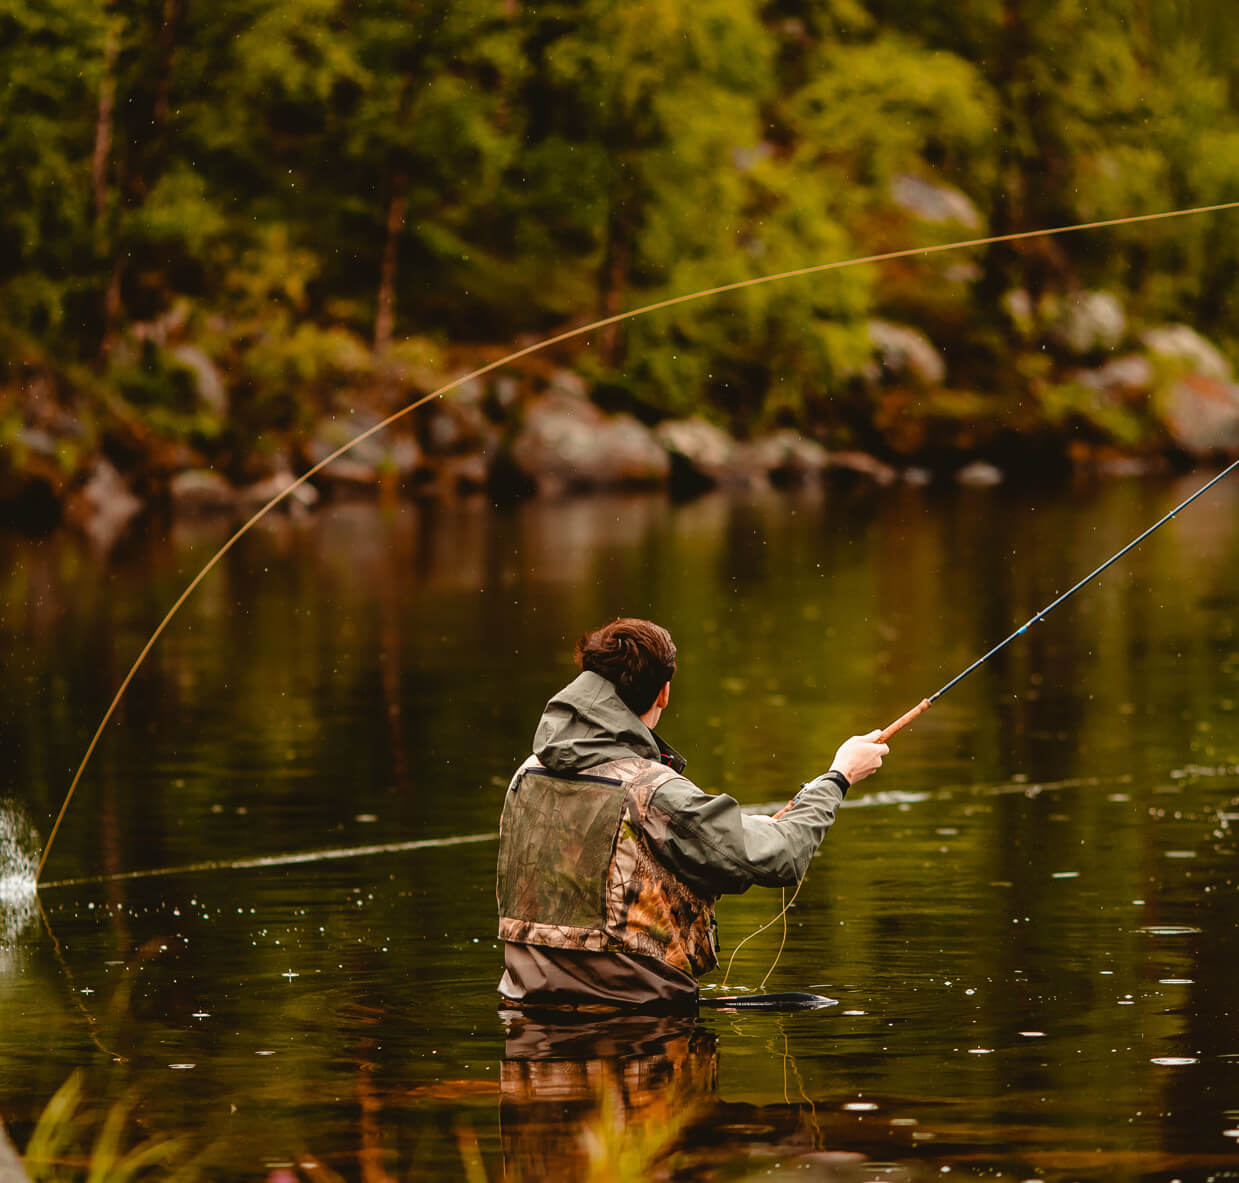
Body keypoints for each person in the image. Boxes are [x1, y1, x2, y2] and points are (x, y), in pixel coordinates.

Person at [495, 617, 888, 1011]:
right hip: (642, 1031)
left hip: (526, 1017)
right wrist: (839, 776)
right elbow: (781, 857)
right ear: (663, 693)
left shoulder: (526, 774)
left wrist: (746, 829)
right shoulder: (652, 790)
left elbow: (619, 843)